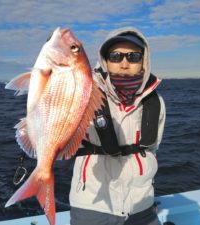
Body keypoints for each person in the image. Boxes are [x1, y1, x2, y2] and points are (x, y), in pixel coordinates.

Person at [69, 27, 166, 225]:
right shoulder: (84, 94)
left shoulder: (156, 102)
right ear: (105, 60)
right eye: (115, 56)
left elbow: (153, 147)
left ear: (143, 61)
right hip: (92, 205)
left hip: (142, 204)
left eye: (133, 56)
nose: (124, 63)